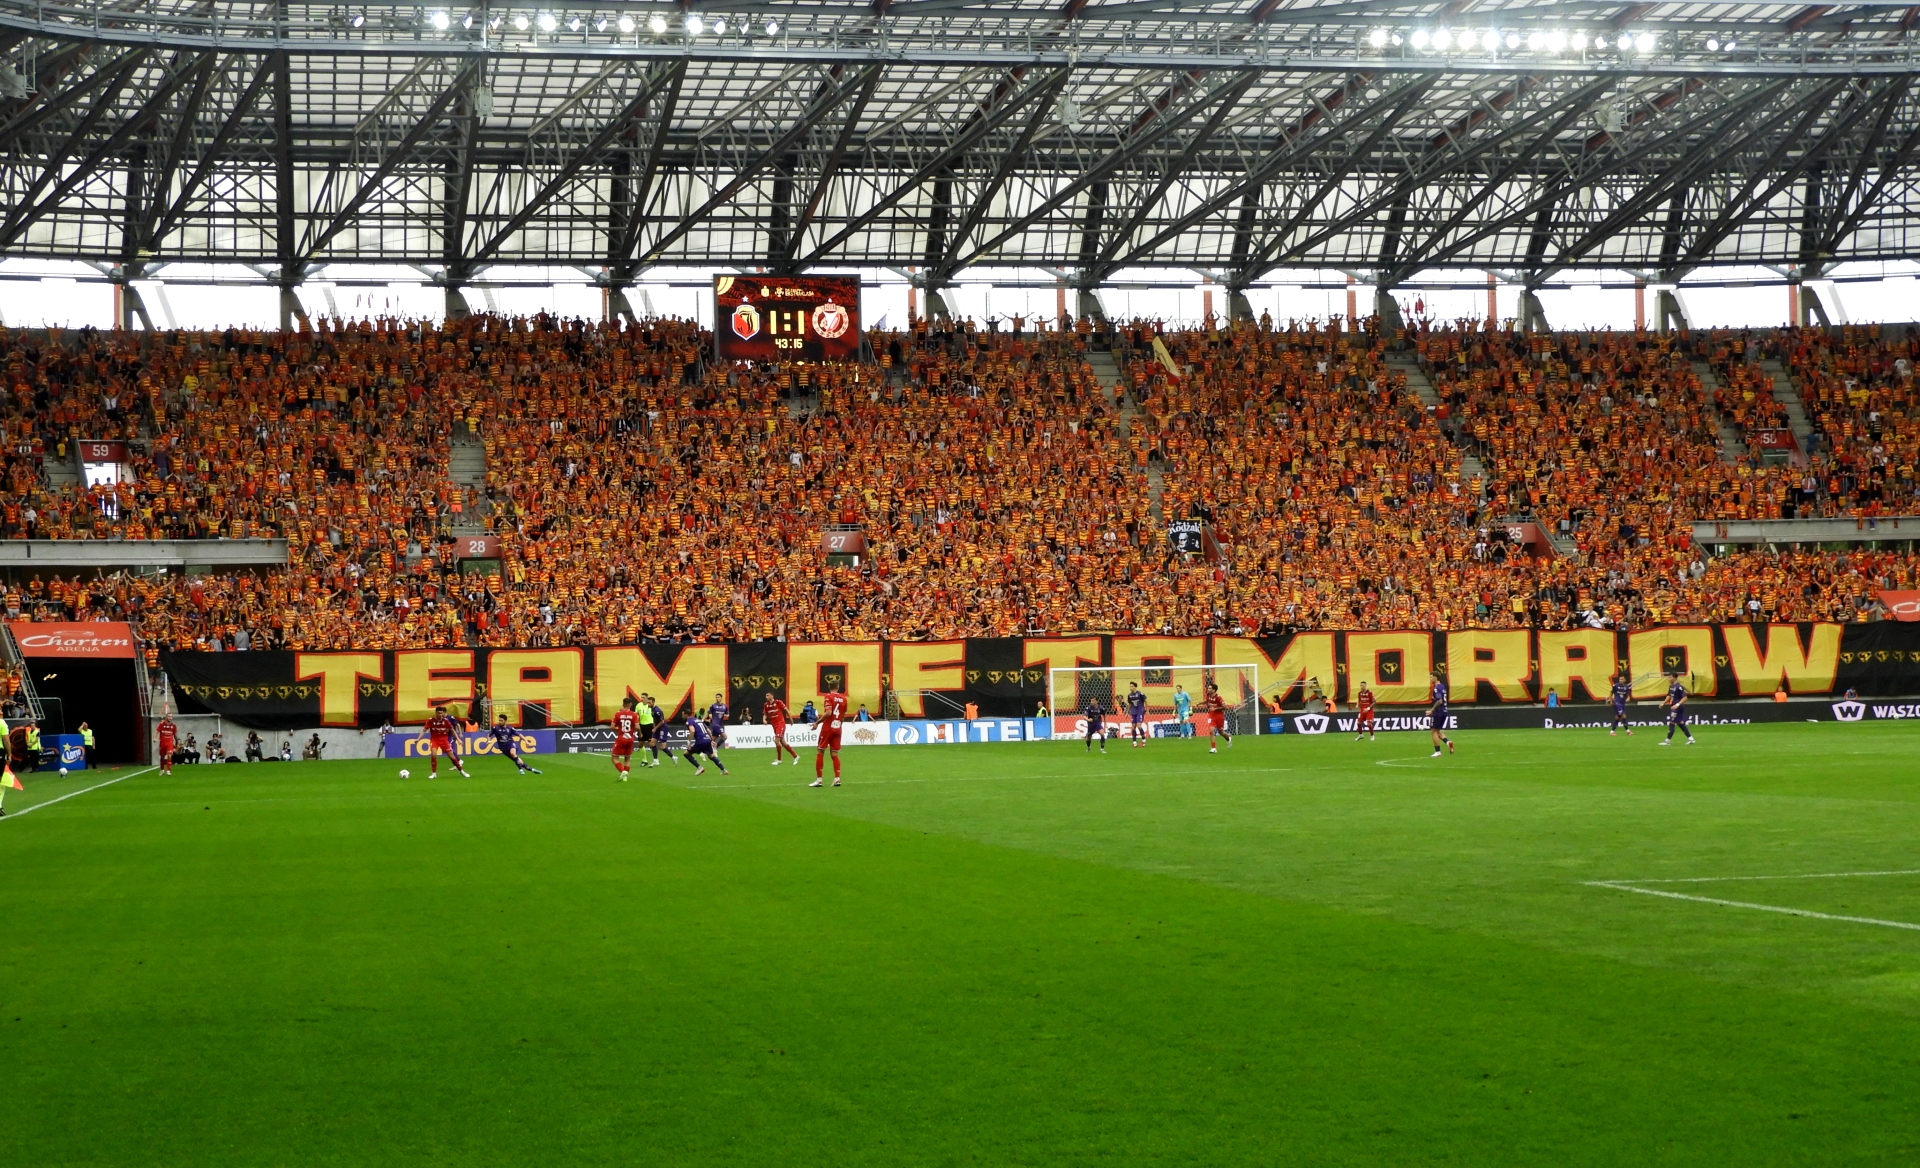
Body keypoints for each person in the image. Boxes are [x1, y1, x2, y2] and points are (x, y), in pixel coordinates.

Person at [809, 684, 847, 787]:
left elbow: (829, 712)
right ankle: (837, 779)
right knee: (834, 753)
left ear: (829, 687)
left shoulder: (828, 697)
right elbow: (843, 715)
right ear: (838, 687)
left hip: (828, 728)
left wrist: (817, 722)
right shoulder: (844, 699)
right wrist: (838, 725)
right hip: (838, 727)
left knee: (820, 751)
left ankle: (819, 780)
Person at [422, 705, 469, 778]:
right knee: (433, 754)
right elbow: (424, 729)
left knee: (451, 755)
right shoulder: (431, 720)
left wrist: (458, 738)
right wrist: (418, 738)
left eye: (441, 713)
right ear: (436, 713)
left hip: (444, 739)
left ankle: (461, 771)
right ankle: (434, 774)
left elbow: (453, 729)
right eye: (439, 713)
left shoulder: (447, 720)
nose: (440, 715)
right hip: (434, 740)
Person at [685, 710, 730, 777]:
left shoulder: (689, 721)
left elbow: (692, 731)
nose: (682, 716)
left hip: (700, 741)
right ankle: (724, 770)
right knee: (711, 756)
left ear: (686, 714)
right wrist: (711, 740)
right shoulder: (699, 720)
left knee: (686, 754)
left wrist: (689, 742)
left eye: (683, 714)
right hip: (707, 739)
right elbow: (708, 730)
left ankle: (699, 768)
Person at [1659, 673, 1696, 746]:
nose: (1668, 679)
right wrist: (1663, 703)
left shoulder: (1679, 687)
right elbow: (1669, 695)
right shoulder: (1671, 686)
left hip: (1677, 708)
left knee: (1672, 722)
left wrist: (1677, 704)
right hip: (1674, 706)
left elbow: (1685, 697)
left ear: (1674, 678)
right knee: (1680, 723)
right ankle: (1691, 739)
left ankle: (1667, 741)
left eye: (1670, 677)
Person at [765, 692, 799, 766]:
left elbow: (786, 709)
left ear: (772, 696)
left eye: (767, 695)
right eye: (766, 696)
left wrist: (790, 718)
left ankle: (779, 759)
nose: (766, 697)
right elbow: (765, 714)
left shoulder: (778, 702)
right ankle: (795, 756)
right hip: (774, 725)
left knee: (776, 741)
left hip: (780, 723)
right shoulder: (766, 705)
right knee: (783, 742)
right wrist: (764, 719)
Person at [611, 696, 640, 781]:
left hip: (621, 738)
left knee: (614, 758)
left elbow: (612, 727)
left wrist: (619, 729)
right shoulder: (634, 715)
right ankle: (625, 777)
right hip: (630, 739)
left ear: (623, 704)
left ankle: (623, 772)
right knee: (627, 758)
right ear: (630, 704)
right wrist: (639, 733)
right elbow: (637, 727)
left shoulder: (618, 714)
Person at [1428, 671, 1456, 757]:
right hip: (1444, 711)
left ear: (1436, 677)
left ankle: (1438, 752)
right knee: (1437, 731)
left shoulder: (1437, 688)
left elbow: (1439, 701)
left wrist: (1432, 710)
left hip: (1438, 712)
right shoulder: (1442, 686)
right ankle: (1448, 742)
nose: (1430, 679)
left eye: (1431, 677)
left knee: (1433, 731)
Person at [646, 696, 677, 767]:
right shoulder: (651, 709)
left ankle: (673, 757)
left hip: (663, 728)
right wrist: (654, 727)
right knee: (652, 743)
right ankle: (655, 761)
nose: (648, 704)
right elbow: (655, 720)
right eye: (647, 703)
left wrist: (655, 728)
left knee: (662, 747)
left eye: (649, 703)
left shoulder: (657, 710)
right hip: (657, 728)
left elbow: (662, 721)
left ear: (653, 702)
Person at [1204, 684, 1232, 753]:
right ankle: (1213, 748)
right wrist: (1200, 703)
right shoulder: (1208, 695)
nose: (1208, 689)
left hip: (1219, 716)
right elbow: (1207, 702)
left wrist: (1215, 708)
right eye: (1208, 688)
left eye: (1210, 688)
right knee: (1211, 731)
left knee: (1221, 732)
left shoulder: (1218, 697)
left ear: (1214, 690)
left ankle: (1229, 738)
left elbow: (1225, 707)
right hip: (1211, 715)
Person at [632, 692, 657, 765]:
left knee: (651, 744)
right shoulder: (638, 705)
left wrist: (654, 726)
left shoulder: (650, 706)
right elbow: (636, 715)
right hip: (642, 726)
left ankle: (655, 760)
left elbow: (655, 715)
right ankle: (644, 761)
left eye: (643, 697)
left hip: (649, 725)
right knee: (640, 744)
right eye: (641, 697)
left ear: (647, 698)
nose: (642, 699)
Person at [1125, 681, 1149, 747]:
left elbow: (1146, 701)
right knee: (1133, 727)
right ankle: (1134, 742)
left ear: (1135, 687)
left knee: (1138, 725)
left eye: (1132, 686)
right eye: (1130, 686)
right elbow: (1130, 704)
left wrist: (1147, 710)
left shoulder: (1140, 694)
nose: (1130, 687)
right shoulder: (1129, 695)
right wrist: (1127, 712)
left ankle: (1143, 740)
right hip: (1133, 712)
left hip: (1140, 711)